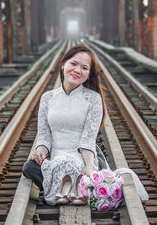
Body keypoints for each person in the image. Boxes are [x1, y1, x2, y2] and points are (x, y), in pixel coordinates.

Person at [22, 44, 106, 205]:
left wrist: (89, 166)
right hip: (57, 156)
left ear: (88, 74)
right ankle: (73, 190)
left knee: (72, 164)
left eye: (84, 67)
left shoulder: (93, 99)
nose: (77, 70)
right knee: (29, 167)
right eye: (73, 64)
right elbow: (44, 135)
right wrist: (40, 152)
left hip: (82, 156)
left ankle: (69, 188)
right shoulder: (48, 98)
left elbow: (88, 139)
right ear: (63, 65)